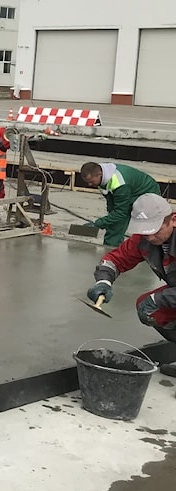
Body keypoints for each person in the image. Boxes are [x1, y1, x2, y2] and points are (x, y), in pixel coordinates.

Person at [86, 194, 176, 375]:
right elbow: (116, 260)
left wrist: (158, 299)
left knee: (155, 302)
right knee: (151, 310)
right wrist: (103, 281)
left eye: (155, 230)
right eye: (145, 232)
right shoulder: (145, 239)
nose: (150, 237)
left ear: (173, 220)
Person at [79, 161, 160, 247]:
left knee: (145, 228)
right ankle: (110, 250)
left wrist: (98, 223)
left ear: (100, 174)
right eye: (88, 182)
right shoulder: (101, 177)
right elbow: (111, 202)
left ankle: (148, 250)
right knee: (114, 224)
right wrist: (109, 218)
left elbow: (120, 212)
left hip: (148, 194)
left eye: (91, 181)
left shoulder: (120, 183)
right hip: (130, 191)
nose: (90, 184)